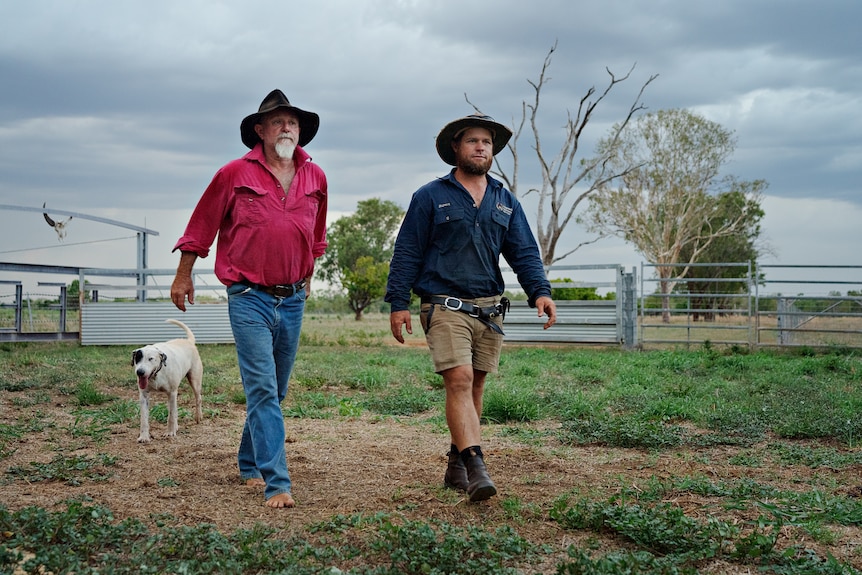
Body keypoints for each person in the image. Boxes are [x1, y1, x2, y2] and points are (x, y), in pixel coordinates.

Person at [385, 113, 556, 502]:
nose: (481, 147)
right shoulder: (429, 196)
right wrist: (399, 302)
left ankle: (456, 463)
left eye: (487, 143)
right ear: (456, 149)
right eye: (473, 141)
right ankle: (478, 467)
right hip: (443, 304)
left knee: (476, 384)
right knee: (459, 379)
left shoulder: (504, 200)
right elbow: (407, 252)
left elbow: (524, 251)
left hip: (490, 308)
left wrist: (539, 292)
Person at [170, 89, 328, 509]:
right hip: (248, 297)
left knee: (274, 390)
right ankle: (277, 482)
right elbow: (201, 224)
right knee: (261, 388)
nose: (287, 128)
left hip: (293, 298)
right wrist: (183, 275)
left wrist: (307, 275)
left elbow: (315, 237)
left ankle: (248, 461)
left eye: (292, 122)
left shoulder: (316, 177)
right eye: (277, 122)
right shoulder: (234, 174)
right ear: (260, 130)